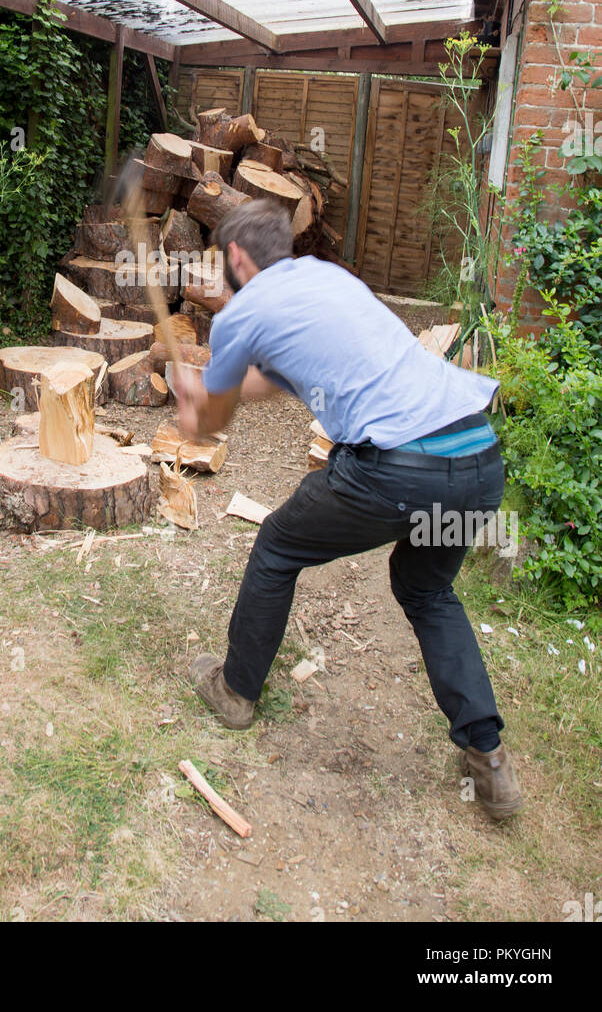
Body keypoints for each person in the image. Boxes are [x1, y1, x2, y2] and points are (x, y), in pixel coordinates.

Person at [175, 199, 522, 820]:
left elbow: (211, 424)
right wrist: (209, 387)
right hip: (476, 455)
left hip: (397, 468)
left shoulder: (242, 313)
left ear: (233, 257)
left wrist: (194, 403)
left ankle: (234, 690)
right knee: (427, 590)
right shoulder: (329, 281)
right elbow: (279, 376)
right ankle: (487, 757)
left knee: (278, 545)